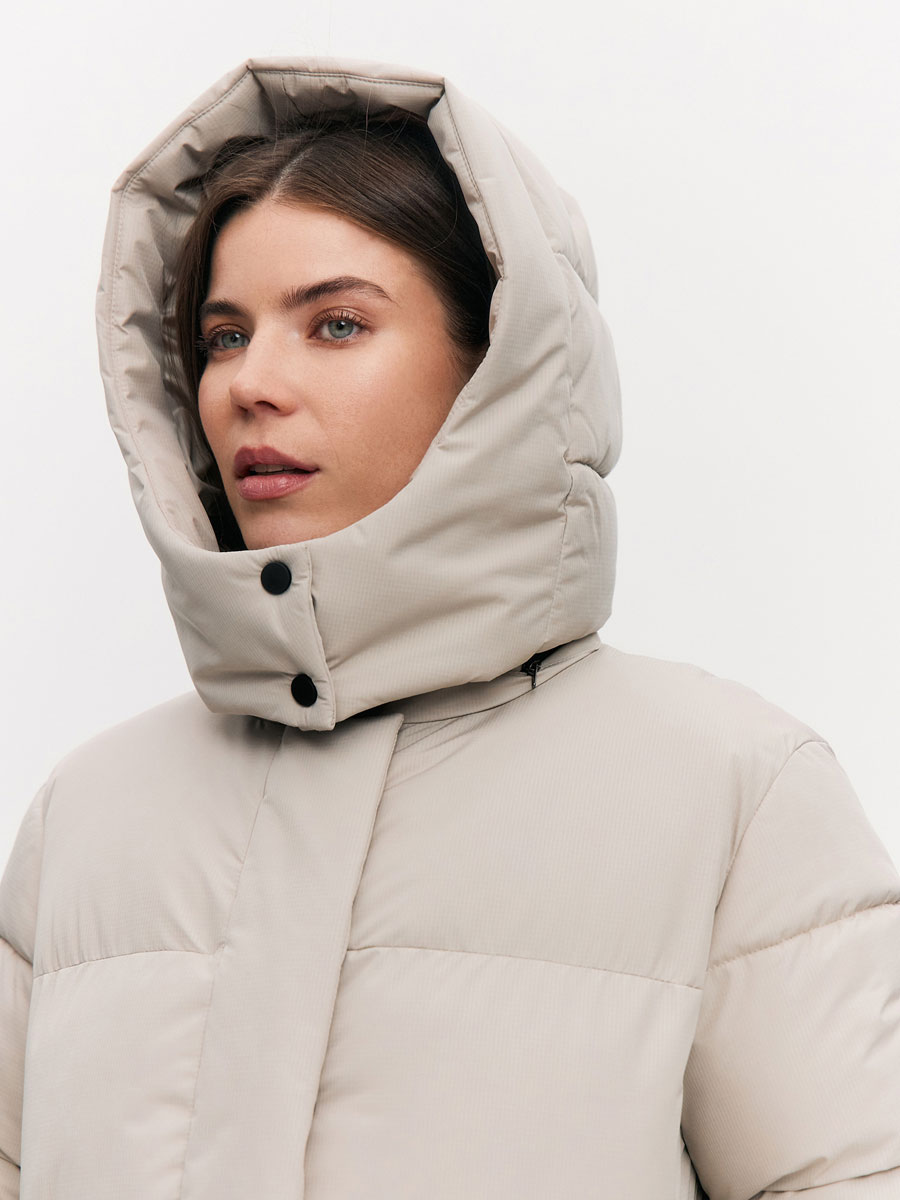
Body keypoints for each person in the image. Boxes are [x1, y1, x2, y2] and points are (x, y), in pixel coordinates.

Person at [1, 57, 898, 1200]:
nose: (250, 383)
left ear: (498, 369)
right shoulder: (87, 821)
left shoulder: (732, 795)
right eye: (223, 337)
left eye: (334, 324)